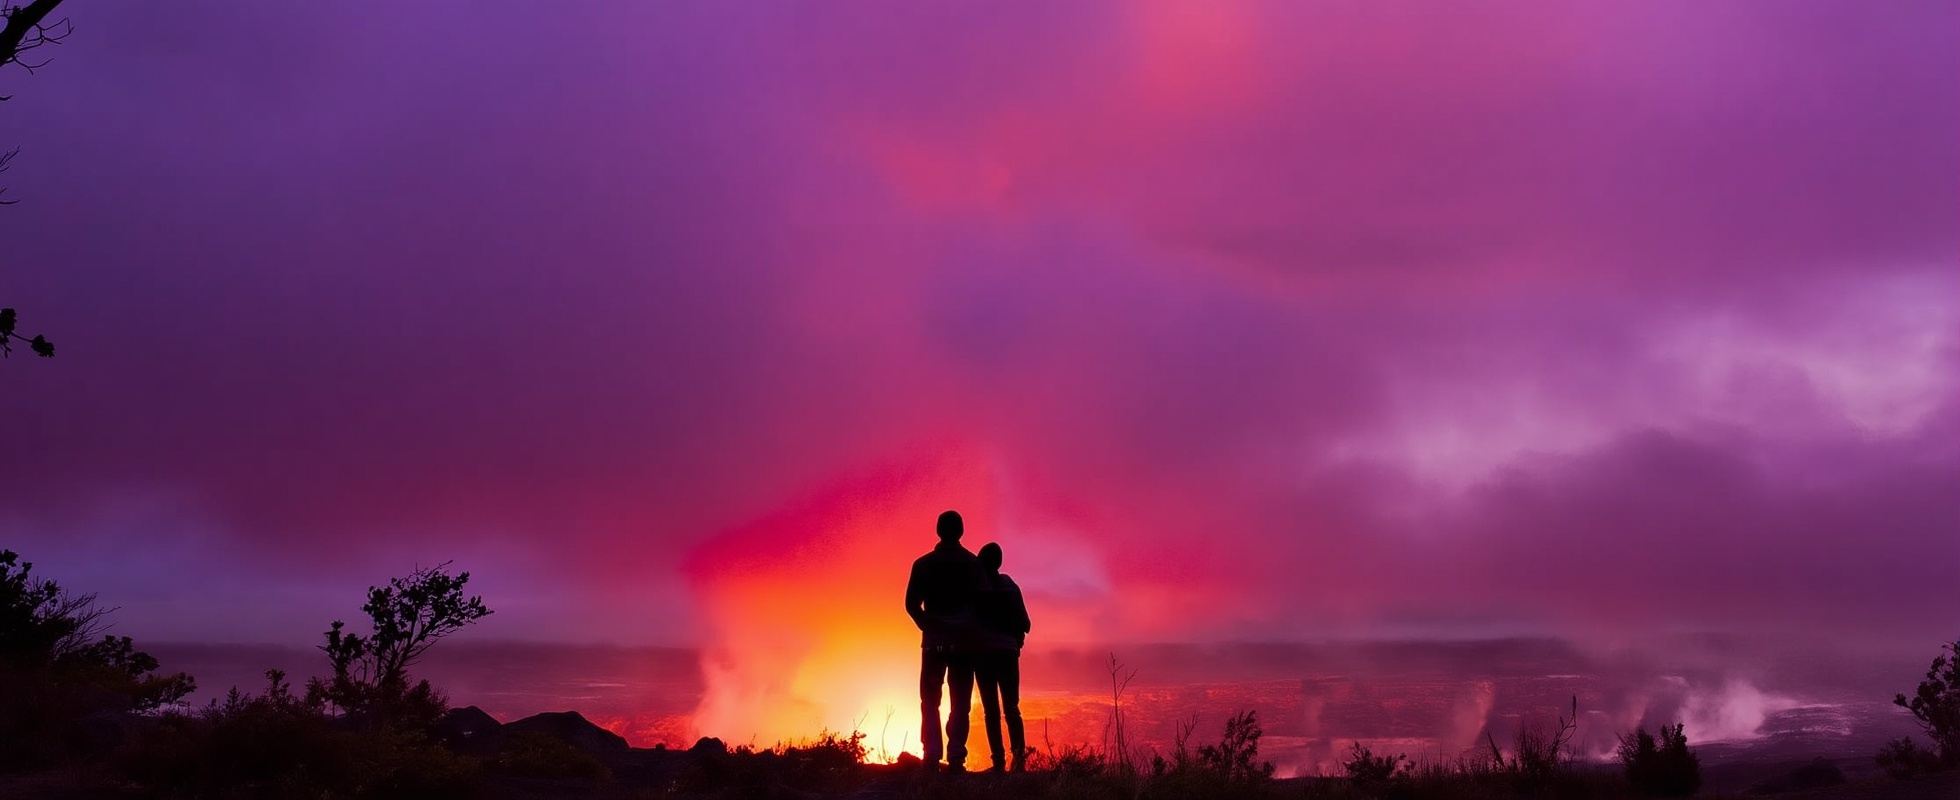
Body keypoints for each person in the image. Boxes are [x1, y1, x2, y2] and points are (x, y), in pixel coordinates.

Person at [904, 510, 982, 772]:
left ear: (938, 530)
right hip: (964, 644)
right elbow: (983, 605)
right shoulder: (973, 565)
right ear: (961, 531)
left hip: (933, 643)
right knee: (960, 702)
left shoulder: (923, 564)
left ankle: (932, 754)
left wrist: (929, 626)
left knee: (930, 700)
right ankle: (956, 755)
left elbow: (911, 605)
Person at [974, 541, 1030, 773]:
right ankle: (1019, 761)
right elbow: (1025, 623)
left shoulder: (975, 589)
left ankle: (997, 761)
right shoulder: (1010, 586)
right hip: (1007, 653)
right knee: (1012, 708)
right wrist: (1015, 640)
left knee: (991, 710)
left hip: (983, 654)